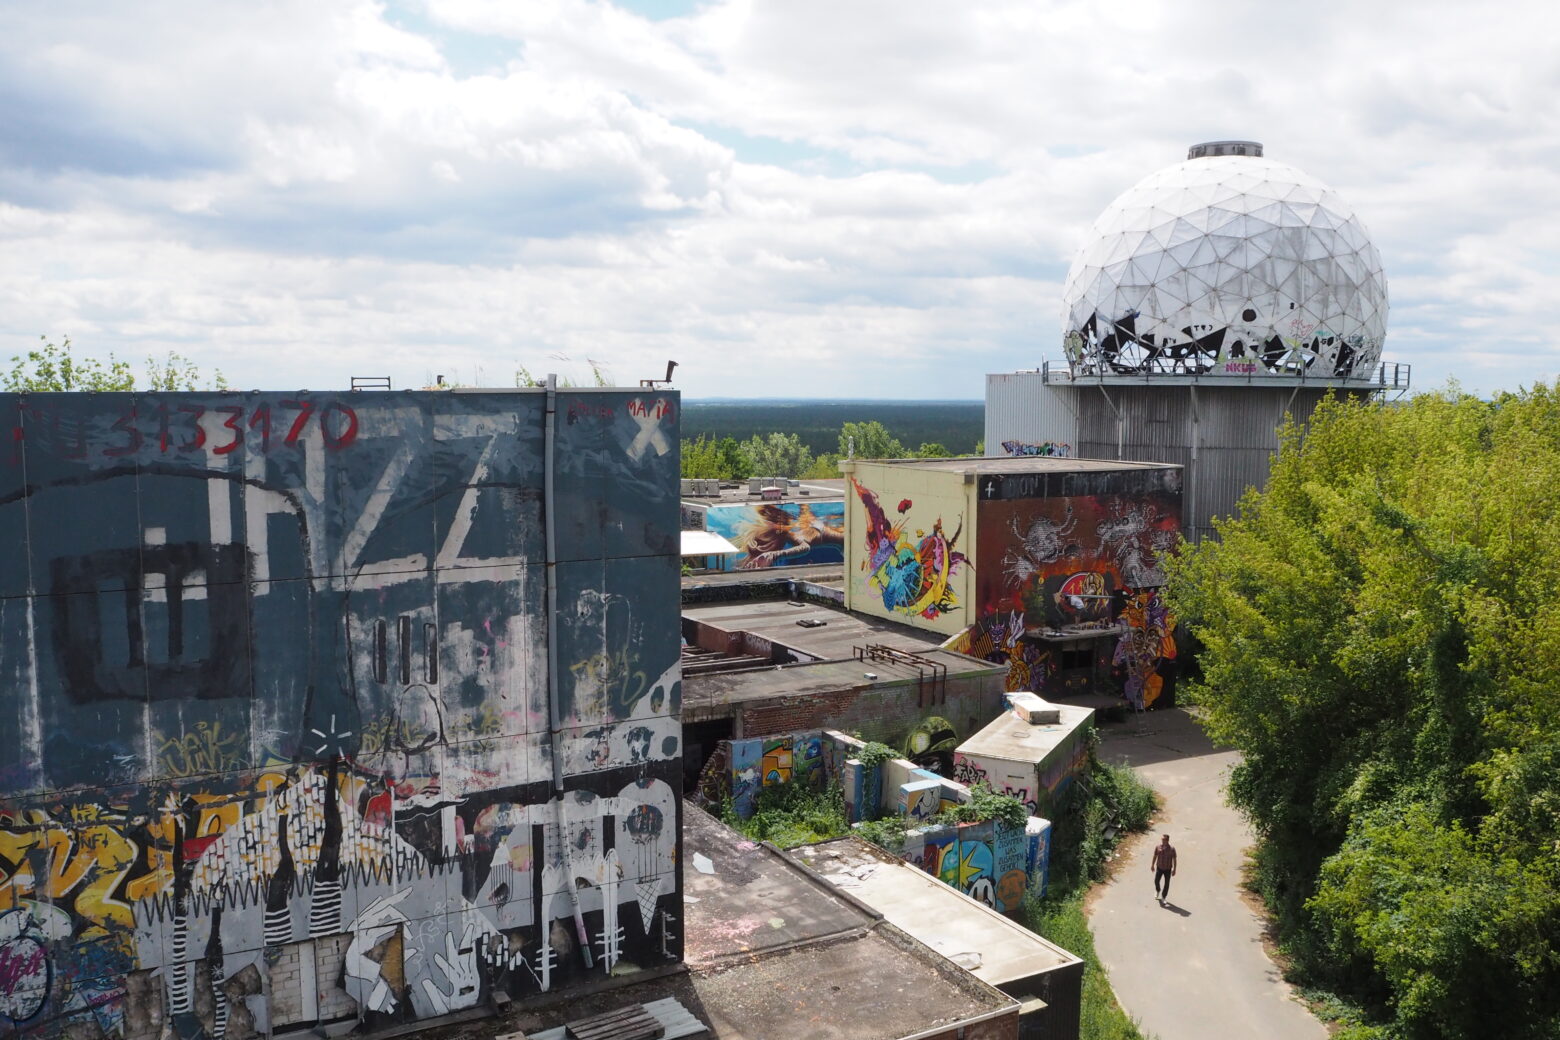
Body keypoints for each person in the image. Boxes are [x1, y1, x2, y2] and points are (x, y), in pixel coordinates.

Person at [1151, 833, 1177, 903]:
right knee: (1156, 881)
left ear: (1167, 840)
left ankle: (1163, 896)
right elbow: (1155, 856)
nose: (1162, 841)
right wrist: (1152, 865)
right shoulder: (1158, 847)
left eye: (1163, 839)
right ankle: (1158, 890)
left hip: (1168, 869)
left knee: (1167, 884)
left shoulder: (1172, 849)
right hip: (1159, 867)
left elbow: (1174, 859)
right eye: (1162, 839)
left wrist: (1174, 869)